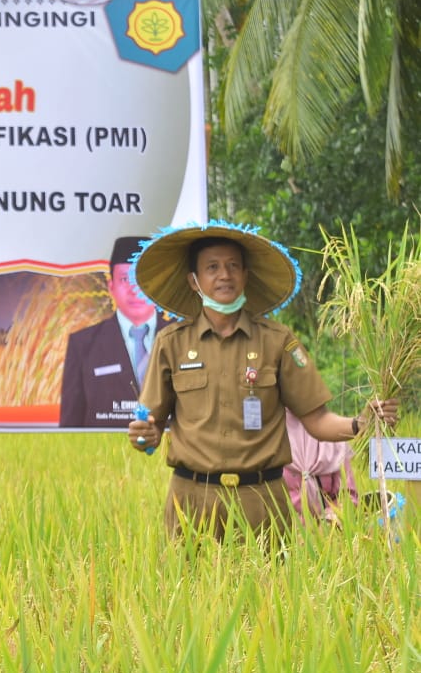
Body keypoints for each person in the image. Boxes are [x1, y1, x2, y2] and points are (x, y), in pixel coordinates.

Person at [126, 220, 398, 542]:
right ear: (194, 280)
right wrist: (145, 435)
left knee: (270, 591)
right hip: (192, 501)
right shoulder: (171, 343)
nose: (224, 275)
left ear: (245, 276)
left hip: (263, 501)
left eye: (233, 266)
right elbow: (152, 426)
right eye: (212, 267)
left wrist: (360, 423)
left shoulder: (277, 342)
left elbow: (317, 420)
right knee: (189, 588)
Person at [60, 236, 171, 428]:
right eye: (125, 279)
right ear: (111, 287)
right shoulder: (83, 344)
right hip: (102, 455)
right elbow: (70, 426)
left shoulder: (183, 339)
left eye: (143, 278)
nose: (134, 289)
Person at [281, 409, 359, 525]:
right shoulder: (269, 436)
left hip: (330, 534)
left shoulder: (333, 435)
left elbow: (348, 496)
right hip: (285, 533)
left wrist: (328, 522)